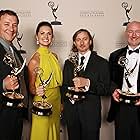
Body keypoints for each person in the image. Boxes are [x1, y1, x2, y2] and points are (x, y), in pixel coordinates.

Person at [61, 29, 111, 140]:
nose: (82, 42)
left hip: (91, 115)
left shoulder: (102, 63)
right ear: (74, 43)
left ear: (90, 41)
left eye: (85, 39)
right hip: (72, 114)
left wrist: (87, 83)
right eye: (78, 40)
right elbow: (63, 88)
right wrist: (71, 92)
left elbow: (106, 89)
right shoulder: (68, 63)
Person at [28, 21, 62, 140]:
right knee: (41, 134)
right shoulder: (34, 60)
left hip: (56, 100)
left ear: (52, 37)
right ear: (37, 37)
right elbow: (31, 88)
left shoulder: (55, 56)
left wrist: (61, 102)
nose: (46, 36)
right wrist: (36, 90)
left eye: (49, 34)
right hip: (42, 102)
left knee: (54, 132)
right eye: (42, 33)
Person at [107, 21, 140, 140]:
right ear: (126, 34)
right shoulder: (115, 56)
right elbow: (109, 79)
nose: (134, 35)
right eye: (130, 31)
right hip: (121, 107)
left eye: (137, 32)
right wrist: (114, 90)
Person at [0, 9, 29, 140]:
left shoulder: (14, 51)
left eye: (15, 25)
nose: (11, 29)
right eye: (6, 24)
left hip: (16, 114)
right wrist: (2, 84)